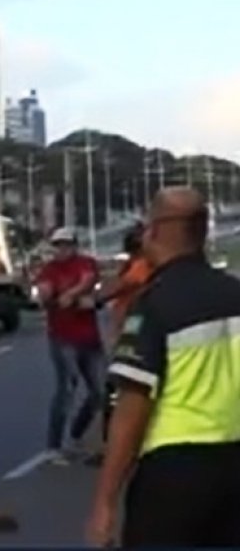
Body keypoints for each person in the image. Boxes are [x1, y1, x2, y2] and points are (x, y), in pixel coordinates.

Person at [86, 187, 240, 547]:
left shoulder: (154, 304)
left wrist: (105, 502)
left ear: (156, 230)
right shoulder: (236, 294)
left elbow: (132, 409)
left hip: (174, 473)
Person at [33, 226, 104, 461]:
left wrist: (72, 295)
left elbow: (88, 279)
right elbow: (44, 289)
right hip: (63, 338)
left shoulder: (85, 263)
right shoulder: (50, 270)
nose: (62, 250)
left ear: (74, 245)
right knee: (66, 389)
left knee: (100, 391)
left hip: (89, 338)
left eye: (67, 245)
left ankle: (76, 433)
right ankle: (53, 446)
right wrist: (44, 296)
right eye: (58, 246)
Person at [94, 223, 154, 440]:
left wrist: (96, 299)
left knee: (118, 387)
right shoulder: (133, 264)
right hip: (125, 329)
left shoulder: (142, 265)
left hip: (132, 332)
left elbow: (121, 286)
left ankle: (113, 439)